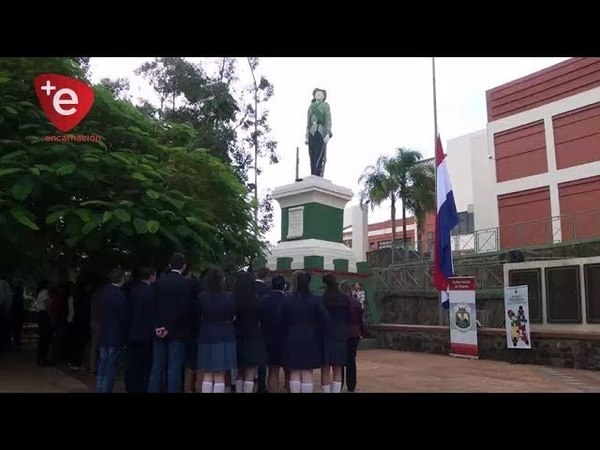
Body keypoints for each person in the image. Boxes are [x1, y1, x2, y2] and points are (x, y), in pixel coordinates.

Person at [148, 253, 197, 393]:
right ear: (184, 266)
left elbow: (152, 307)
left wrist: (158, 326)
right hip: (178, 332)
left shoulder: (157, 283)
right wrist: (169, 327)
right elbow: (185, 309)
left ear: (169, 265)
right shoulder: (188, 285)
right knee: (174, 369)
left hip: (158, 331)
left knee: (156, 367)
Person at [280, 270, 329, 393]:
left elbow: (281, 319)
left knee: (295, 371)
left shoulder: (287, 300)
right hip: (311, 338)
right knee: (307, 371)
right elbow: (325, 319)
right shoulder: (316, 300)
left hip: (292, 337)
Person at [196, 268, 237, 393]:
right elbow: (233, 316)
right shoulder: (230, 296)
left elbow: (198, 315)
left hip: (206, 335)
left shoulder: (202, 297)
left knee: (207, 373)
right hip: (225, 336)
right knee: (220, 374)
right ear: (222, 280)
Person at [96, 268, 129, 393]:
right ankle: (106, 389)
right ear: (121, 278)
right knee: (111, 365)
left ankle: (100, 388)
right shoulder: (120, 295)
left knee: (103, 363)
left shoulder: (103, 293)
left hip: (104, 333)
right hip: (116, 335)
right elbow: (124, 317)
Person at [233, 271, 267, 393]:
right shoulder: (257, 301)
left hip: (237, 336)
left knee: (239, 371)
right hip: (253, 336)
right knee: (250, 371)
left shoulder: (233, 300)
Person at [125, 267, 156, 393]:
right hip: (145, 334)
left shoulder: (133, 290)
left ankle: (131, 387)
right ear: (151, 276)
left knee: (133, 364)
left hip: (133, 331)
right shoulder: (150, 292)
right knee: (144, 366)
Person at [320, 274, 349, 393]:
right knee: (338, 368)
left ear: (325, 285)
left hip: (326, 335)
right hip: (340, 334)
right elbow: (348, 316)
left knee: (325, 368)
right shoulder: (345, 298)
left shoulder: (322, 299)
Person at [261, 275, 286, 392]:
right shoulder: (287, 300)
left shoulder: (264, 300)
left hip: (266, 337)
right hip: (283, 339)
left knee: (272, 370)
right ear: (284, 286)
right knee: (289, 371)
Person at [340, 280, 365, 392]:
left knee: (339, 360)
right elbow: (361, 320)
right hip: (355, 333)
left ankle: (338, 384)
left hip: (342, 332)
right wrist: (362, 332)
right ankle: (351, 385)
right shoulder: (357, 303)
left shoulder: (340, 303)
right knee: (351, 360)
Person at [305, 88, 332, 177]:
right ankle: (313, 173)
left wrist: (327, 133)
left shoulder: (325, 105)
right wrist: (306, 136)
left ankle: (317, 173)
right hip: (311, 132)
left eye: (321, 94)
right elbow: (307, 123)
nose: (318, 95)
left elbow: (328, 119)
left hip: (320, 131)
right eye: (317, 93)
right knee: (311, 154)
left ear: (324, 97)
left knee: (319, 153)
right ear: (314, 95)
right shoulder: (310, 107)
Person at [254, 267, 270, 393]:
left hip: (248, 324)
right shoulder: (267, 290)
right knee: (262, 358)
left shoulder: (249, 287)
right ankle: (261, 383)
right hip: (264, 326)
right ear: (267, 276)